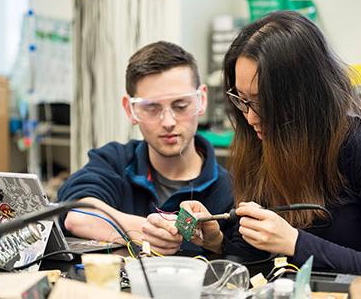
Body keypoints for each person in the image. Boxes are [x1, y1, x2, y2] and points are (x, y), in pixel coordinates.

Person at [181, 11, 361, 274]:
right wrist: (218, 243)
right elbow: (251, 261)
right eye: (242, 99)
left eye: (263, 101)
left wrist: (296, 242)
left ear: (305, 95)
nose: (251, 117)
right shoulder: (258, 140)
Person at [58, 41, 233, 255]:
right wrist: (145, 231)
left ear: (201, 100)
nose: (168, 121)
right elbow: (77, 216)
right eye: (151, 107)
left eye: (181, 106)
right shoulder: (114, 161)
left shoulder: (230, 191)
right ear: (130, 109)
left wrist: (218, 244)